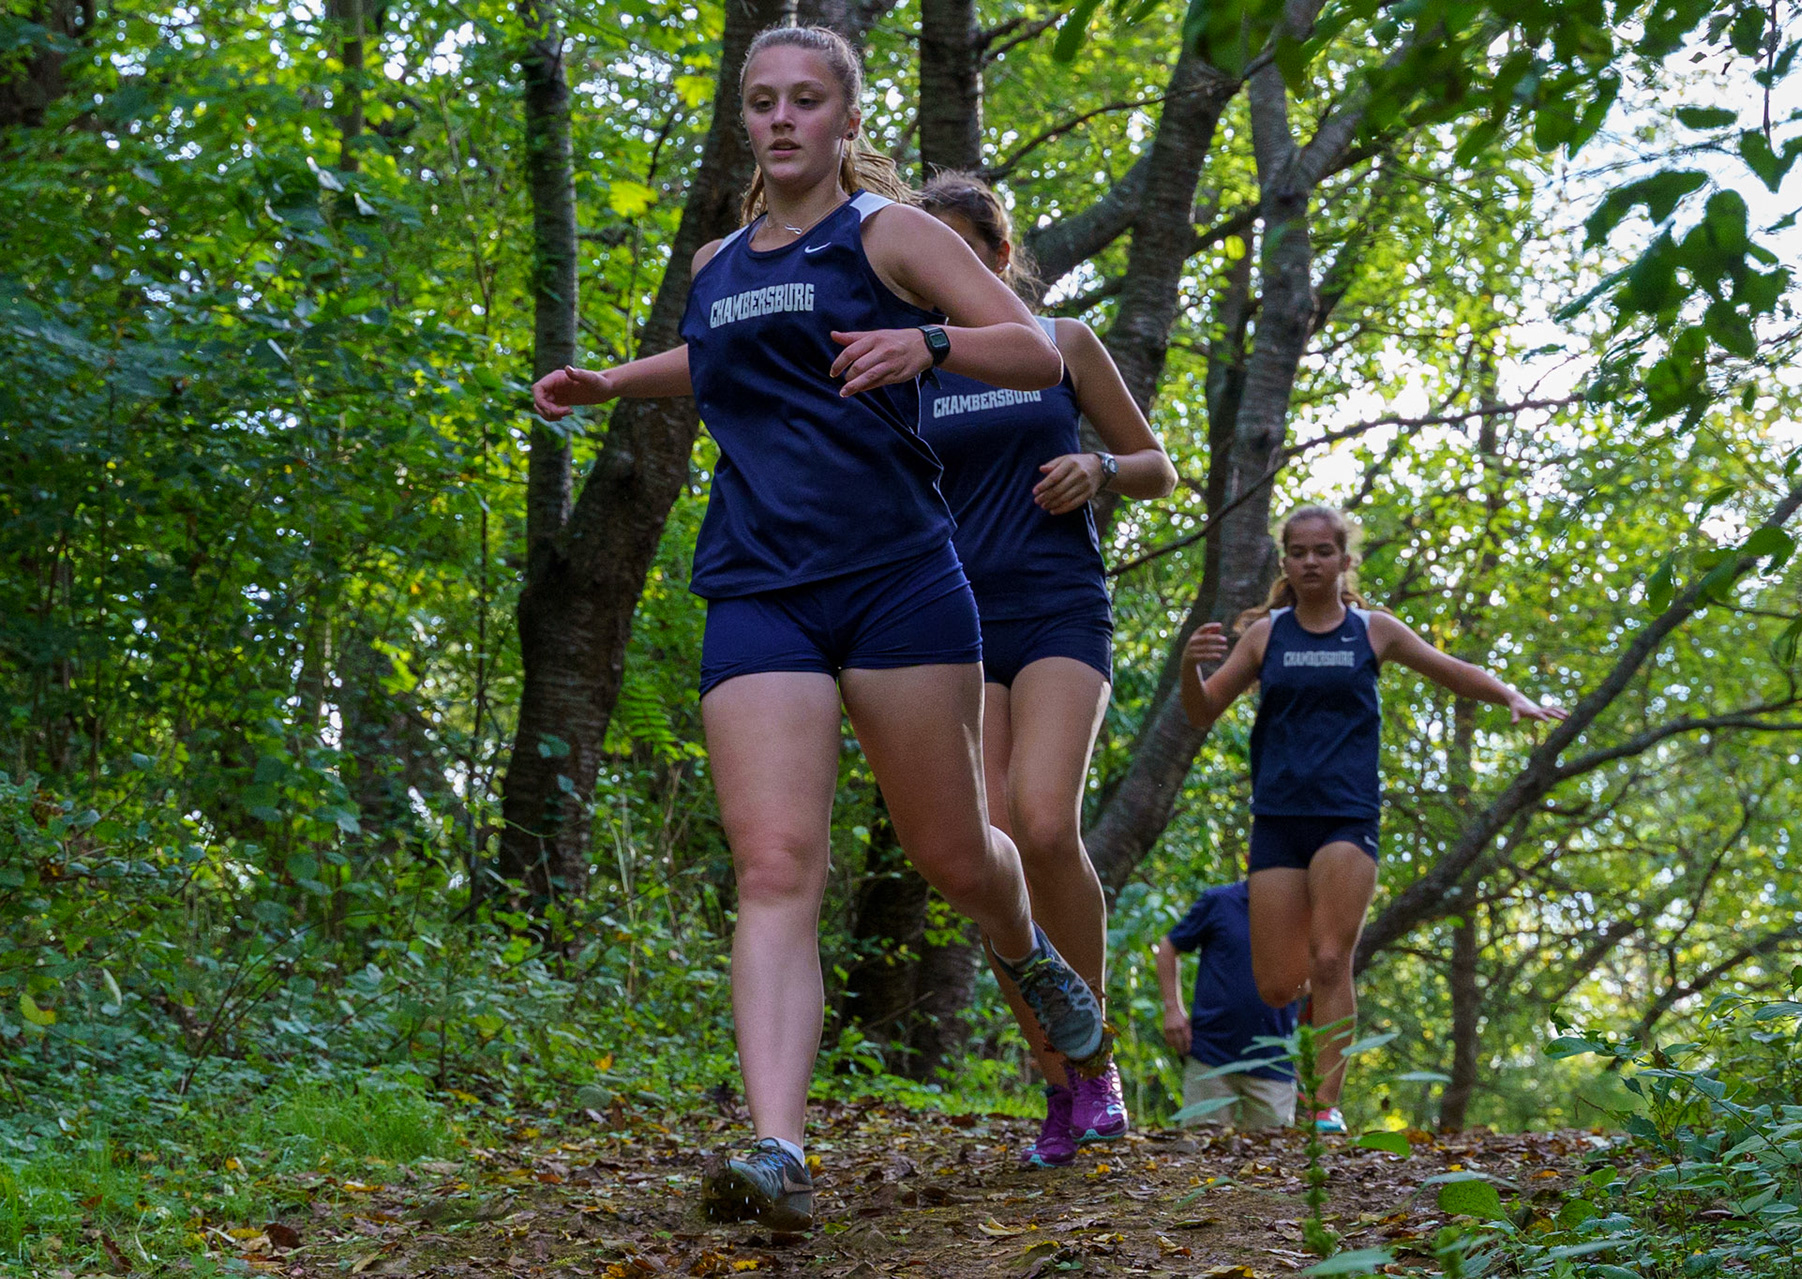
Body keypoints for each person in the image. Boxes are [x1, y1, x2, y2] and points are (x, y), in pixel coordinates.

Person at [531, 25, 1110, 1230]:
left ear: (847, 120)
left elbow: (1034, 352)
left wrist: (928, 341)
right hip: (759, 584)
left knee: (956, 856)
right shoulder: (716, 264)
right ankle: (780, 1148)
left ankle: (1026, 948)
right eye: (761, 102)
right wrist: (613, 382)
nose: (781, 119)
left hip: (899, 580)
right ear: (744, 120)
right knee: (776, 863)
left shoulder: (889, 235)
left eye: (805, 100)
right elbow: (717, 362)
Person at [912, 175, 1177, 1168]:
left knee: (1044, 821)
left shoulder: (1061, 342)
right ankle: (1062, 1081)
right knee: (990, 859)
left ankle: (1095, 1053)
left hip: (1061, 606)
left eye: (962, 251)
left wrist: (1099, 470)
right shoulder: (910, 364)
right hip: (958, 623)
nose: (943, 273)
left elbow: (1156, 465)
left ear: (998, 256)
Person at [1178, 505, 1566, 1133]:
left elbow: (1451, 670)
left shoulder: (1373, 630)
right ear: (1285, 562)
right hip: (1277, 818)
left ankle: (1322, 1107)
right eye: (1298, 552)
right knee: (1277, 985)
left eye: (1323, 551)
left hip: (1347, 816)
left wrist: (1510, 695)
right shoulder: (1267, 636)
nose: (1310, 561)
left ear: (1345, 559)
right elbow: (1201, 713)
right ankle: (1319, 1033)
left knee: (1332, 959)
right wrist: (1187, 668)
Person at [1156, 882, 1302, 1130]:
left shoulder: (1301, 910)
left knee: (1274, 1151)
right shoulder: (1220, 902)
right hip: (1211, 1055)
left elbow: (1321, 975)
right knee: (1199, 1146)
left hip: (1274, 1061)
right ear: (1248, 861)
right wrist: (1173, 1009)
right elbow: (1168, 947)